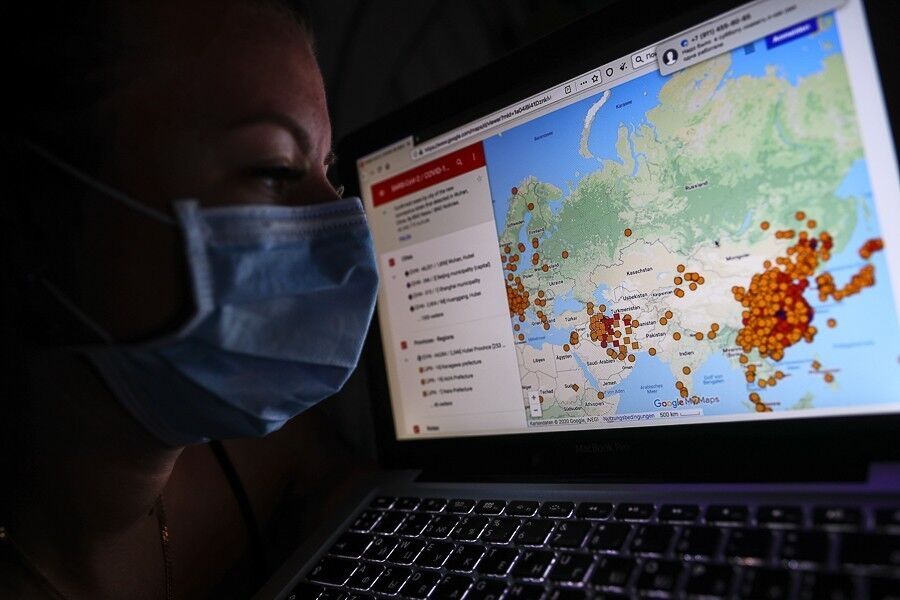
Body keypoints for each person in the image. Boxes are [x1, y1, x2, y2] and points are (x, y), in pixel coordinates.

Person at [0, 1, 379, 597]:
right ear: (37, 210)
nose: (345, 223)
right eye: (274, 167)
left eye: (328, 171)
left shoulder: (250, 457)